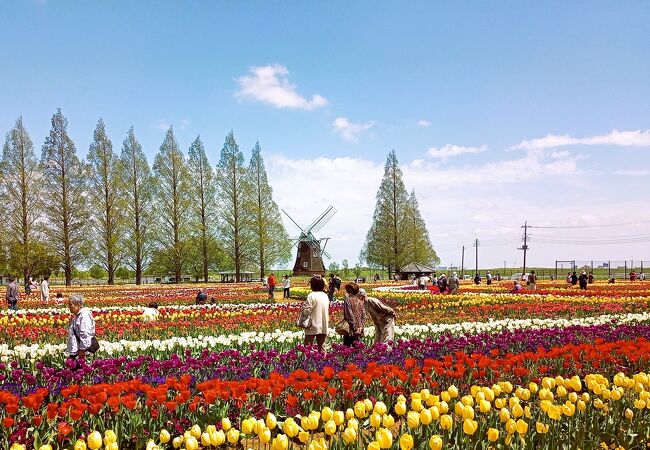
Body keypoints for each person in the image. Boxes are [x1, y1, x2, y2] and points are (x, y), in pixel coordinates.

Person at [66, 294, 96, 364]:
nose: (69, 307)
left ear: (78, 305)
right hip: (77, 349)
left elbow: (85, 333)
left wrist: (82, 350)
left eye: (70, 304)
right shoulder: (78, 315)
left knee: (80, 370)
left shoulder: (84, 315)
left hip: (82, 351)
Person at [301, 276, 329, 352]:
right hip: (323, 324)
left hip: (312, 324)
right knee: (322, 347)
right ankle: (324, 362)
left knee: (308, 347)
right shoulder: (325, 295)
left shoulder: (311, 295)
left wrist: (303, 309)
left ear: (312, 285)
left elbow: (307, 310)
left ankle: (307, 362)